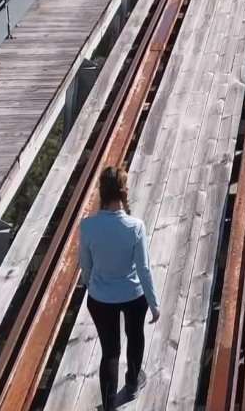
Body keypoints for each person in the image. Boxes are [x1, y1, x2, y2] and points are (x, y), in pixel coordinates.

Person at [79, 166, 160, 409]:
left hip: (101, 299)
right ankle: (133, 383)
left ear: (101, 193)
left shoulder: (87, 226)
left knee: (110, 352)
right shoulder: (135, 226)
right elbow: (144, 269)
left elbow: (85, 265)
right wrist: (154, 303)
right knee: (135, 338)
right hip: (133, 296)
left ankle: (108, 403)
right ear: (124, 193)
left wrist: (92, 283)